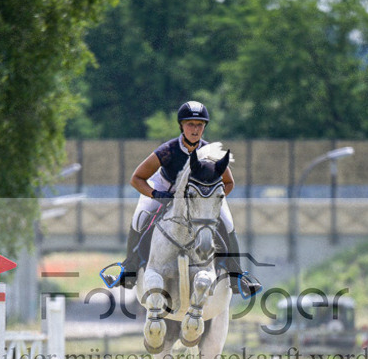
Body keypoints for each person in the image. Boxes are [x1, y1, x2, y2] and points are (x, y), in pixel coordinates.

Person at [104, 101, 261, 298]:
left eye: (199, 125)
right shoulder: (167, 150)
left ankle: (237, 276)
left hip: (201, 196)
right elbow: (136, 178)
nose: (195, 129)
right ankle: (129, 271)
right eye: (190, 124)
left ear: (204, 127)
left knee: (228, 223)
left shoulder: (211, 153)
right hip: (165, 189)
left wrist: (210, 202)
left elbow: (229, 183)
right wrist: (155, 194)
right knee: (140, 217)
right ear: (181, 125)